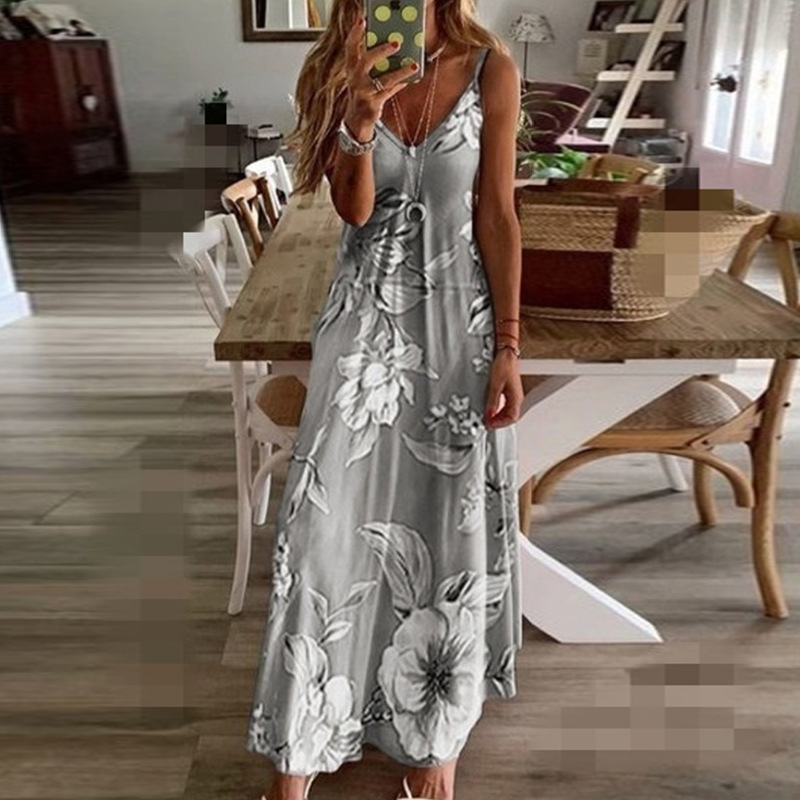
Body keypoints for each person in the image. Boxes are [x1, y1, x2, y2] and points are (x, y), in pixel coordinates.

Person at [246, 1, 524, 799]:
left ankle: (433, 748)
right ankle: (297, 753)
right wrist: (361, 119)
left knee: (448, 523)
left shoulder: (491, 70)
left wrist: (509, 346)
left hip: (459, 330)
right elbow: (355, 211)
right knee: (320, 532)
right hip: (363, 325)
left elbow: (497, 214)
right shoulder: (340, 70)